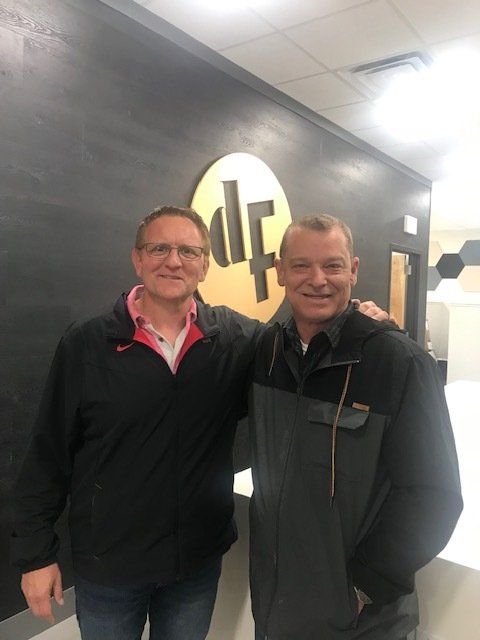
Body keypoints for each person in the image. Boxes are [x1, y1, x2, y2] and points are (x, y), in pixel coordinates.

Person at [11, 205, 387, 640]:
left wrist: (357, 319)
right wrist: (35, 556)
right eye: (159, 248)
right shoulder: (87, 343)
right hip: (109, 566)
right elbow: (47, 453)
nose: (174, 261)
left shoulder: (237, 339)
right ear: (137, 259)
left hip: (195, 564)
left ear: (205, 265)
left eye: (188, 251)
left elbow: (301, 341)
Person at [248, 214, 463, 640]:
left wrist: (366, 586)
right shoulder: (265, 352)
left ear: (354, 270)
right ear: (280, 271)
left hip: (363, 620)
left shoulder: (400, 362)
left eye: (333, 265)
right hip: (275, 607)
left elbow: (434, 495)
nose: (318, 280)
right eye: (301, 265)